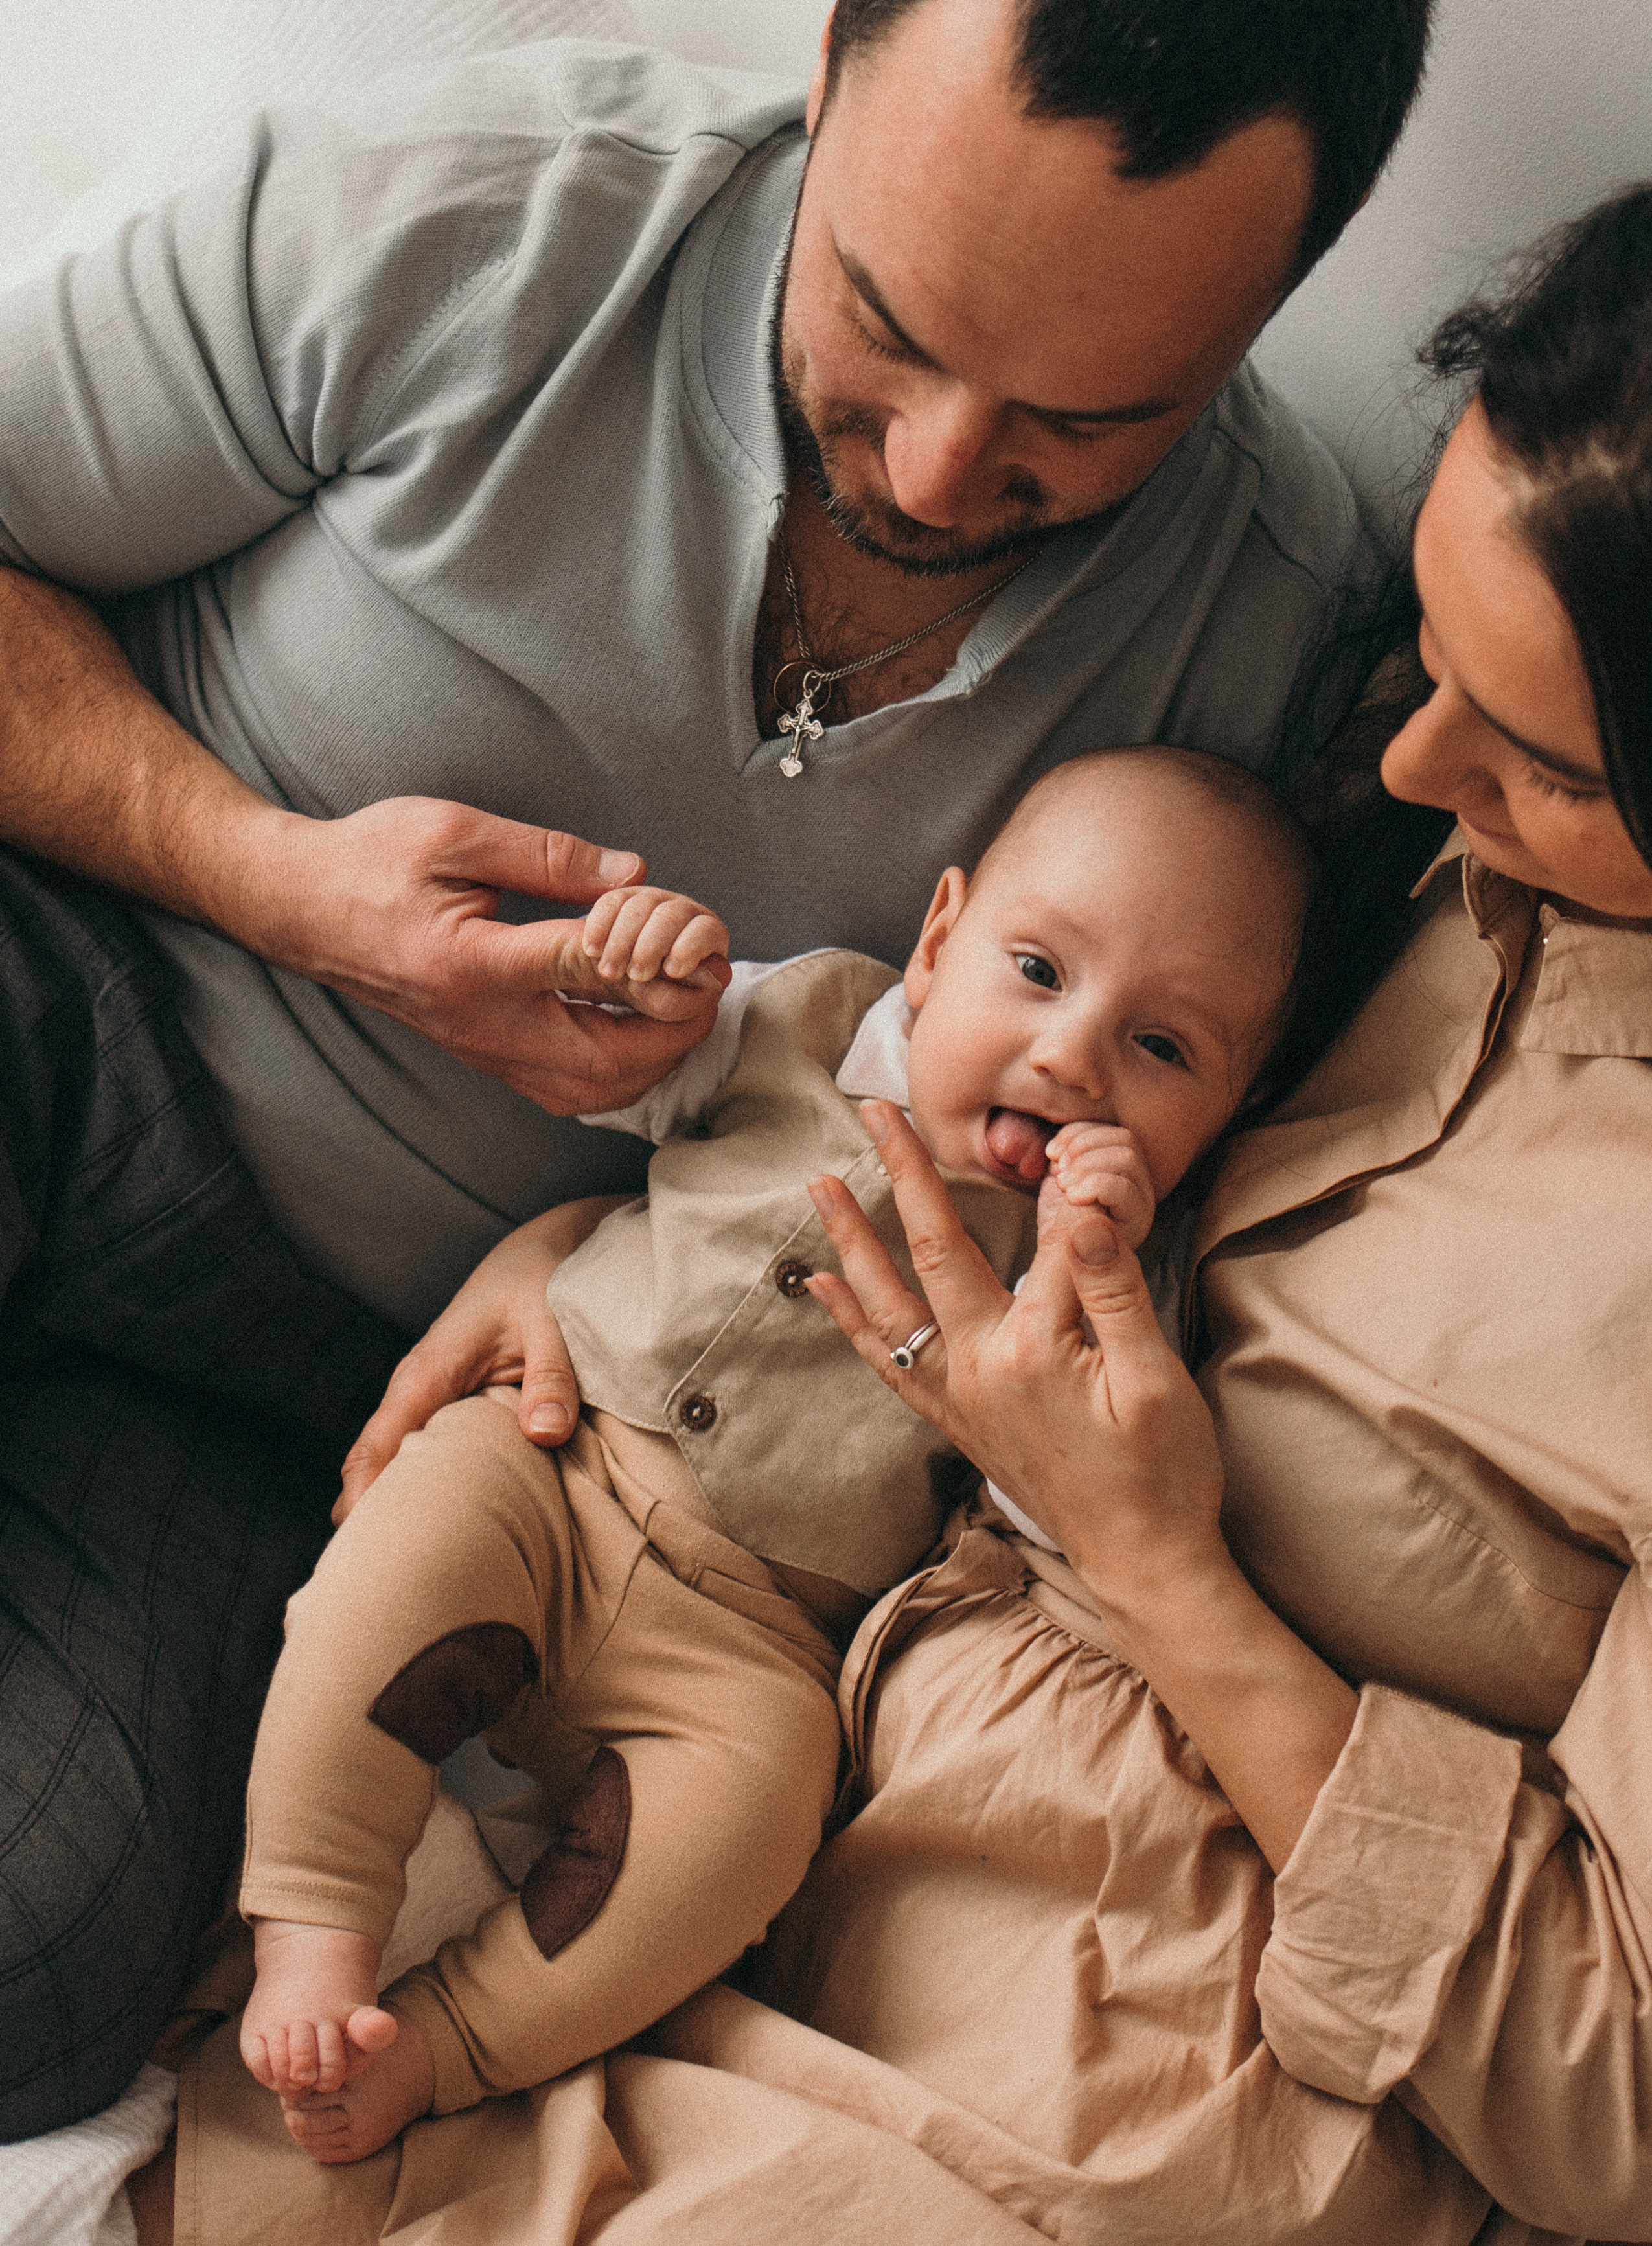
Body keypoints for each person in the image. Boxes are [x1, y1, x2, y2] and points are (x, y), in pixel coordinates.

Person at [0, 0, 1435, 2132]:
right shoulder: (464, 221)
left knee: (45, 1944)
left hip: (353, 1396)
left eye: (1082, 417)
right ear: (830, 69)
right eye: (889, 318)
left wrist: (583, 1242)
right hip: (70, 1002)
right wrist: (277, 875)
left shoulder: (1277, 649)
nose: (941, 469)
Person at [771, 182, 1652, 2237]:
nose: (1413, 762)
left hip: (1149, 2060)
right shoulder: (1403, 790)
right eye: (1426, 654)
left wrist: (1151, 1561)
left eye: (1533, 765)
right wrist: (577, 1269)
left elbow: (1615, 2096)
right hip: (827, 1758)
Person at [232, 746, 1313, 2164]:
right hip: (557, 1462)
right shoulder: (806, 1024)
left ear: (1223, 1117)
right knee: (388, 1581)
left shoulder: (1121, 1290)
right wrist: (646, 968)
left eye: (1163, 1051)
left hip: (754, 1640)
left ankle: (444, 2046)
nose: (1074, 1059)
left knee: (750, 1830)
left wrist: (1085, 1283)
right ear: (938, 942)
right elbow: (594, 1052)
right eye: (1039, 971)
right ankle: (313, 1924)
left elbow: (1073, 1513)